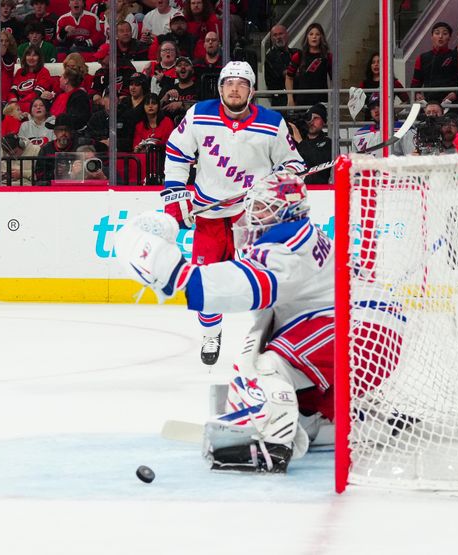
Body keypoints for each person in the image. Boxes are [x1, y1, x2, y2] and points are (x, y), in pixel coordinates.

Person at [115, 175, 337, 473]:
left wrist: (174, 271)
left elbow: (239, 287)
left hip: (349, 329)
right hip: (351, 325)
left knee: (266, 369)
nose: (253, 213)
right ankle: (315, 420)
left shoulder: (287, 252)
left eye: (263, 207)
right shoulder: (296, 234)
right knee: (267, 360)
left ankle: (273, 445)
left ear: (286, 212)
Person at [161, 60, 305, 366]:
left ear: (252, 90)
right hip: (209, 214)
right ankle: (211, 333)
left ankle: (271, 337)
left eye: (241, 84)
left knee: (266, 279)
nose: (234, 89)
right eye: (229, 83)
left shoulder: (271, 122)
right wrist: (175, 195)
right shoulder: (199, 114)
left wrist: (278, 186)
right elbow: (177, 151)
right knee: (207, 279)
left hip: (254, 218)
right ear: (220, 87)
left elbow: (293, 165)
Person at [410, 21, 458, 105]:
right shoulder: (422, 58)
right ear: (432, 37)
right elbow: (415, 82)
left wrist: (455, 93)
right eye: (437, 33)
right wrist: (417, 94)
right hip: (429, 104)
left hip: (451, 103)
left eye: (445, 34)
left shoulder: (457, 56)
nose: (440, 36)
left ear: (449, 38)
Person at [285, 22, 331, 107]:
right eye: (311, 34)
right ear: (307, 37)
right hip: (302, 101)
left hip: (321, 101)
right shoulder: (298, 56)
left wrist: (333, 98)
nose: (314, 37)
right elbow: (289, 77)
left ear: (321, 37)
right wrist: (290, 98)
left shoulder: (328, 57)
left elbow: (334, 79)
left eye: (317, 34)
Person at [34, 113, 78, 185]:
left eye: (66, 130)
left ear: (71, 132)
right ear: (55, 132)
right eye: (60, 130)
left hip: (75, 186)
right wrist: (54, 173)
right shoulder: (46, 149)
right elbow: (39, 174)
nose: (64, 133)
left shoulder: (77, 147)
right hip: (51, 188)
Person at [11, 44, 54, 113]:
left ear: (39, 58)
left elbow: (37, 93)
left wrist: (19, 103)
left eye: (34, 55)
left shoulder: (44, 72)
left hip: (34, 105)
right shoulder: (20, 72)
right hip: (18, 105)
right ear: (25, 57)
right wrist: (12, 101)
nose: (31, 58)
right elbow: (13, 90)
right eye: (28, 55)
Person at [264, 24, 299, 107]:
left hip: (299, 96)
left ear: (287, 35)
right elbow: (287, 74)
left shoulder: (296, 52)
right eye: (275, 35)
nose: (278, 37)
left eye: (281, 34)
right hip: (281, 100)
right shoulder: (271, 56)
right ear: (272, 39)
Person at [296, 102, 331, 184]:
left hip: (319, 190)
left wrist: (300, 142)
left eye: (316, 118)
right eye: (309, 118)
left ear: (323, 122)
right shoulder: (297, 139)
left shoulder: (328, 142)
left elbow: (320, 165)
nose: (311, 121)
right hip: (296, 189)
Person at [158, 55, 197, 124]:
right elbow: (154, 109)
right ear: (175, 71)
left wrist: (181, 105)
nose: (182, 67)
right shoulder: (168, 88)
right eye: (179, 65)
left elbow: (204, 106)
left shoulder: (199, 87)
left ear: (192, 70)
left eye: (186, 65)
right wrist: (165, 97)